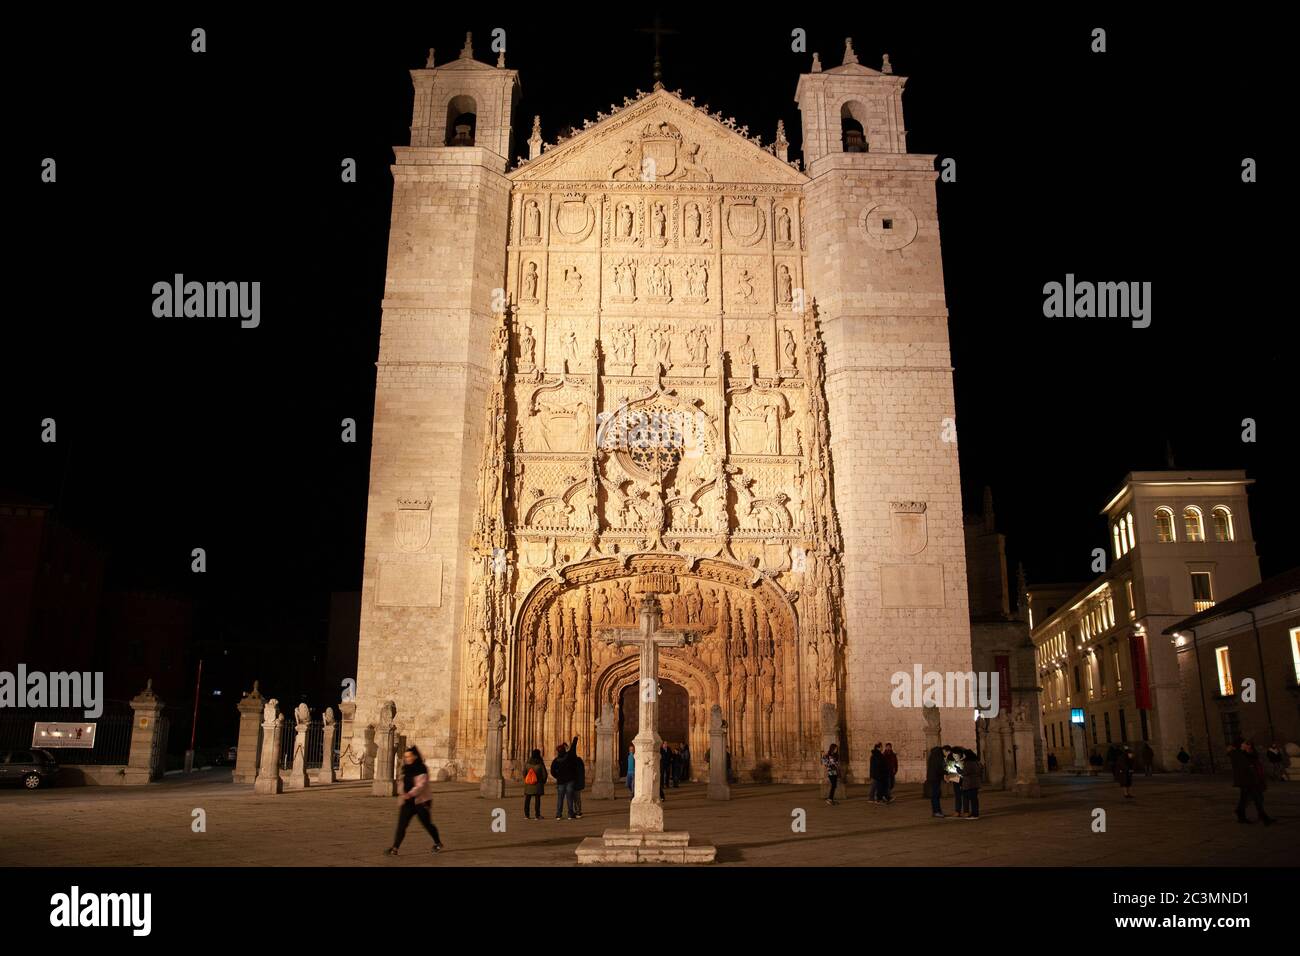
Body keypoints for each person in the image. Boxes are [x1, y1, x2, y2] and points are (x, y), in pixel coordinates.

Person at [385, 746, 442, 855]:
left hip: (422, 801)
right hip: (408, 802)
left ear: (415, 756)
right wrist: (402, 793)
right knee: (402, 825)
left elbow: (421, 786)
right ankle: (395, 848)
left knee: (427, 824)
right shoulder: (405, 769)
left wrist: (409, 794)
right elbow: (401, 783)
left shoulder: (422, 768)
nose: (407, 759)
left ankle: (438, 842)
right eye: (406, 757)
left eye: (409, 756)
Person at [1229, 739, 1274, 825]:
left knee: (1246, 799)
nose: (1246, 745)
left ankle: (1240, 813)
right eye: (1244, 743)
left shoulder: (1245, 753)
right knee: (1256, 798)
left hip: (1250, 780)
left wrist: (1249, 752)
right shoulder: (1236, 754)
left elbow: (1255, 758)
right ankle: (1263, 817)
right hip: (1245, 780)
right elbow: (1244, 766)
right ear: (1240, 745)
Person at [550, 735, 580, 819]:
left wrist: (558, 776)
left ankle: (558, 815)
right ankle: (570, 814)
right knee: (569, 798)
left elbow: (552, 771)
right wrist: (575, 739)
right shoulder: (569, 757)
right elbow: (573, 748)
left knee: (560, 799)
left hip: (561, 782)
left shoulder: (556, 761)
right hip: (570, 780)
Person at [522, 748, 548, 820]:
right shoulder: (540, 764)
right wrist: (543, 781)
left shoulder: (527, 763)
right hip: (538, 784)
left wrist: (527, 780)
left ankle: (527, 815)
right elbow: (544, 774)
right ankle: (537, 815)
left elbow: (524, 773)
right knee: (537, 800)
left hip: (529, 784)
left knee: (527, 799)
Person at [925, 743, 948, 817]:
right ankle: (937, 811)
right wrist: (945, 773)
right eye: (946, 752)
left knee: (935, 795)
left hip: (932, 778)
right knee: (936, 795)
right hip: (935, 778)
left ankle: (936, 811)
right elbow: (939, 768)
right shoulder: (938, 757)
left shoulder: (933, 755)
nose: (946, 754)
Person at [960, 748, 982, 820]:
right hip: (975, 782)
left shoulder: (968, 762)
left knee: (972, 799)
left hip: (970, 783)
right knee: (974, 799)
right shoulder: (977, 762)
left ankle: (975, 814)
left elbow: (965, 772)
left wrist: (959, 770)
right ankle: (975, 813)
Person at [947, 747, 966, 817]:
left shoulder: (964, 761)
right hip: (956, 780)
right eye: (954, 755)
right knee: (958, 796)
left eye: (956, 755)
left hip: (964, 780)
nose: (955, 756)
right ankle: (958, 811)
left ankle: (965, 811)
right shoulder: (952, 762)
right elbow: (950, 770)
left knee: (965, 796)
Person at [572, 746, 586, 816]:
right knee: (577, 798)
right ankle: (578, 811)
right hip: (577, 782)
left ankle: (574, 811)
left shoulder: (571, 762)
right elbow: (582, 772)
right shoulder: (579, 761)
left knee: (572, 798)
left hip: (572, 782)